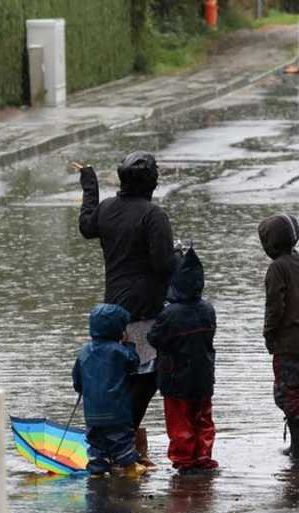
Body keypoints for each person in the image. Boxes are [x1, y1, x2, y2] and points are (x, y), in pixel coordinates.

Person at [78, 152, 177, 467]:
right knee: (147, 378)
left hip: (114, 311)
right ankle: (125, 439)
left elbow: (86, 225)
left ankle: (116, 442)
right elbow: (163, 265)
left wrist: (89, 186)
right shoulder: (153, 216)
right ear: (150, 182)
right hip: (145, 312)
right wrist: (181, 256)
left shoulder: (107, 209)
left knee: (118, 377)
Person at [147, 247, 218, 473]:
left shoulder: (169, 314)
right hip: (204, 376)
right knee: (203, 419)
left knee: (180, 422)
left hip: (175, 378)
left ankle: (184, 461)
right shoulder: (208, 309)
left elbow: (154, 338)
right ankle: (204, 458)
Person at [258, 214, 299, 461]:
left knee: (287, 393)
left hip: (288, 343)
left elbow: (275, 305)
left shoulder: (277, 268)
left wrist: (270, 334)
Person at [72, 303, 147, 478]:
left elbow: (77, 379)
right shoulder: (120, 351)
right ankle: (129, 467)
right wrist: (129, 345)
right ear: (118, 329)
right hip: (117, 409)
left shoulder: (83, 352)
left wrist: (81, 388)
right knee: (121, 438)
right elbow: (133, 365)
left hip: (92, 412)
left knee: (96, 441)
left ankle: (97, 470)